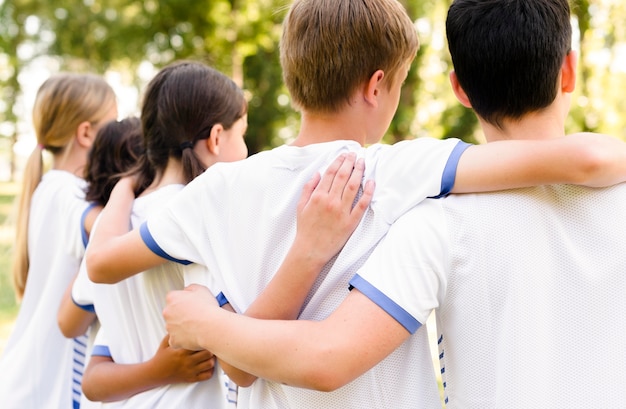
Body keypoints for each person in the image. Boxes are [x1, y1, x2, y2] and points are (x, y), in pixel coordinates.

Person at [88, 0, 626, 408]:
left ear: (460, 89)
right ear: (570, 71)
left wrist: (202, 319)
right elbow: (579, 161)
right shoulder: (390, 174)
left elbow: (249, 364)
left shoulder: (214, 192)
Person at [75, 60, 248, 408]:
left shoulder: (114, 228)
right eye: (241, 134)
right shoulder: (195, 217)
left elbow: (94, 377)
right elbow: (244, 355)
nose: (244, 150)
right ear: (216, 138)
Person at [0, 73, 118, 409]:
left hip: (31, 381)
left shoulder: (51, 188)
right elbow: (105, 230)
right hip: (49, 388)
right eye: (114, 125)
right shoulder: (67, 193)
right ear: (86, 133)